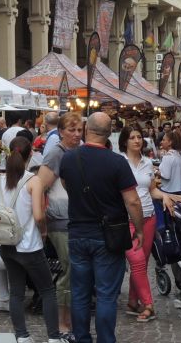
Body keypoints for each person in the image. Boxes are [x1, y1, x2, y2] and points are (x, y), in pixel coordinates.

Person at [60, 112, 144, 343]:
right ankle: (106, 340)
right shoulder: (117, 162)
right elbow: (133, 201)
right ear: (110, 134)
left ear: (86, 129)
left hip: (77, 232)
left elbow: (67, 185)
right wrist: (139, 229)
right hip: (108, 236)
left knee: (80, 293)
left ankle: (82, 338)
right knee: (106, 294)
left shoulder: (68, 159)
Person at [0, 136, 62, 343]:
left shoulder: (0, 180)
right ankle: (54, 338)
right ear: (31, 154)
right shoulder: (34, 180)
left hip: (6, 245)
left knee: (16, 292)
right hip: (29, 246)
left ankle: (22, 336)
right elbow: (39, 216)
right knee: (47, 290)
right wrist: (44, 231)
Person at [36, 111, 81, 339]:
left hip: (75, 220)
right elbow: (40, 187)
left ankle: (70, 318)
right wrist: (42, 223)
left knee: (74, 269)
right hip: (59, 221)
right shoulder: (56, 153)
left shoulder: (78, 152)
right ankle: (63, 322)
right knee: (69, 270)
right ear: (61, 132)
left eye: (79, 130)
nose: (76, 134)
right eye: (71, 130)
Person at [118, 128, 158, 323]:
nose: (136, 140)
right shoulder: (118, 162)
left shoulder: (148, 162)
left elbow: (153, 191)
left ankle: (133, 301)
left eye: (139, 137)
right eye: (132, 137)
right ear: (124, 141)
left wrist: (170, 196)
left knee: (141, 263)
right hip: (127, 220)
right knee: (138, 262)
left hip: (149, 217)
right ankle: (149, 304)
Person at [158, 127, 181, 195]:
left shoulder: (168, 157)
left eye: (164, 140)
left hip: (169, 192)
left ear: (170, 142)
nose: (161, 142)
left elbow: (166, 175)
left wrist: (155, 171)